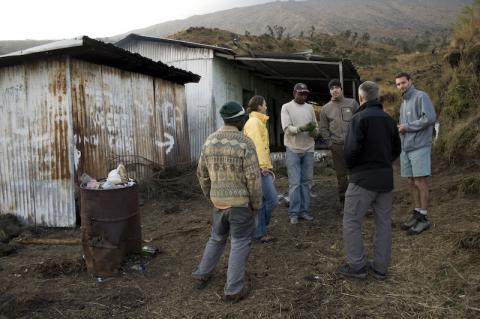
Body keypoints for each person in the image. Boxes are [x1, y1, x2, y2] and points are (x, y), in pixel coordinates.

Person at [193, 101, 262, 303]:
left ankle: (201, 274)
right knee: (239, 243)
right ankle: (233, 289)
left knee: (216, 238)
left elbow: (201, 173)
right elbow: (253, 179)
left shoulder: (210, 141)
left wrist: (211, 195)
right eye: (244, 118)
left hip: (218, 202)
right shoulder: (245, 143)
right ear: (239, 120)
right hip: (240, 205)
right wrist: (256, 204)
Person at [338, 81, 401, 280]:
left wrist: (354, 168)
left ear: (361, 97)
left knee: (351, 221)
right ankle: (381, 268)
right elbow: (396, 150)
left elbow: (350, 151)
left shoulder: (358, 118)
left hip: (362, 179)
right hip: (385, 179)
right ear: (377, 96)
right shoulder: (389, 120)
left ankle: (357, 266)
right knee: (383, 223)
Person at [395, 72, 437, 235]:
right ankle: (417, 213)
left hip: (420, 146)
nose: (401, 86)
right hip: (406, 148)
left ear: (410, 81)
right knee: (411, 182)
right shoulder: (403, 102)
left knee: (420, 181)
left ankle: (424, 219)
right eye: (398, 84)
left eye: (403, 83)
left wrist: (407, 127)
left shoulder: (421, 96)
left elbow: (430, 118)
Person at [280, 83, 318, 224]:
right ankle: (294, 213)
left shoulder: (310, 108)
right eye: (300, 93)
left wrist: (315, 131)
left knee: (307, 182)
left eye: (305, 94)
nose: (303, 96)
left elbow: (315, 125)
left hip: (308, 148)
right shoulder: (286, 107)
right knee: (295, 183)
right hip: (293, 149)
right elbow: (287, 128)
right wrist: (301, 129)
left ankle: (304, 211)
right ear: (294, 93)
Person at [319, 79, 359, 207]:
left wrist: (359, 140)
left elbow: (360, 122)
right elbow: (323, 128)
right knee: (341, 176)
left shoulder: (352, 103)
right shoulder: (325, 109)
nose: (334, 90)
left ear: (341, 89)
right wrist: (330, 143)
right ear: (330, 91)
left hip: (353, 145)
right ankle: (344, 203)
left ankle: (359, 202)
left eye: (337, 87)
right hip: (336, 146)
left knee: (356, 173)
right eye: (332, 88)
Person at [244, 95, 278, 243]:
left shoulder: (257, 121)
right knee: (272, 200)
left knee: (263, 201)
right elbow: (256, 146)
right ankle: (259, 228)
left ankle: (260, 232)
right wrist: (263, 165)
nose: (266, 107)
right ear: (259, 107)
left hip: (260, 166)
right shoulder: (254, 123)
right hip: (259, 168)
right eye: (264, 104)